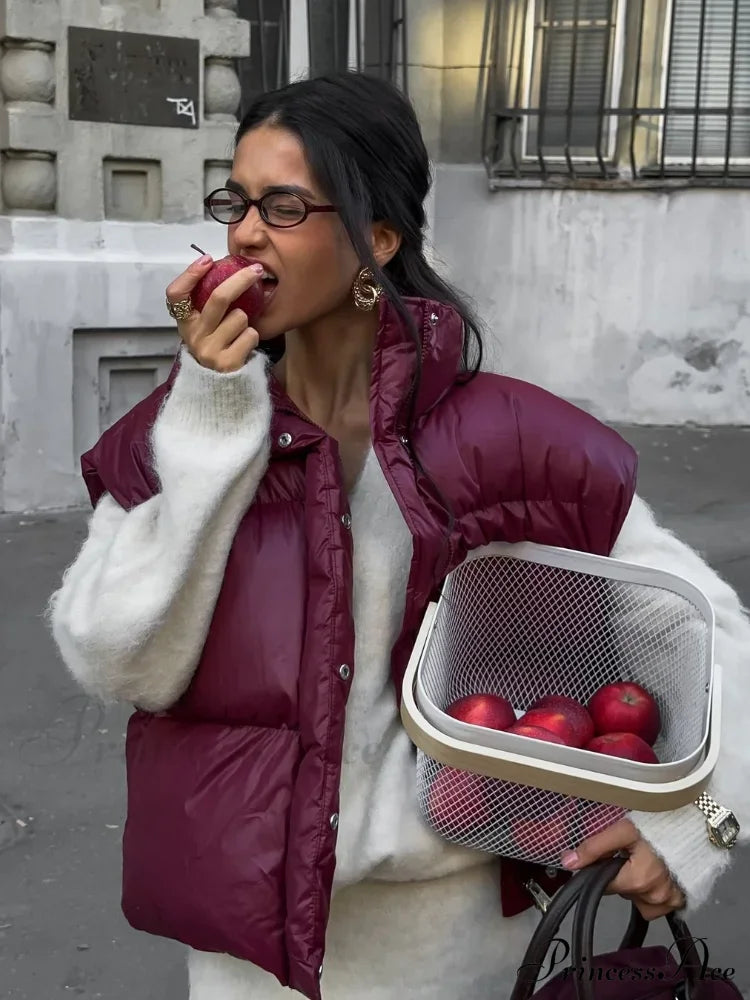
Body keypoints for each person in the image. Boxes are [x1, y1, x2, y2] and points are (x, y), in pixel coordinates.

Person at [48, 72, 749, 1000]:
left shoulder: (509, 442)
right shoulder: (179, 433)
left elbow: (708, 634)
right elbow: (115, 659)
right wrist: (211, 424)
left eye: (284, 207)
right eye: (236, 201)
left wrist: (697, 825)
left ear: (378, 239)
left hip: (451, 952)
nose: (245, 234)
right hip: (243, 956)